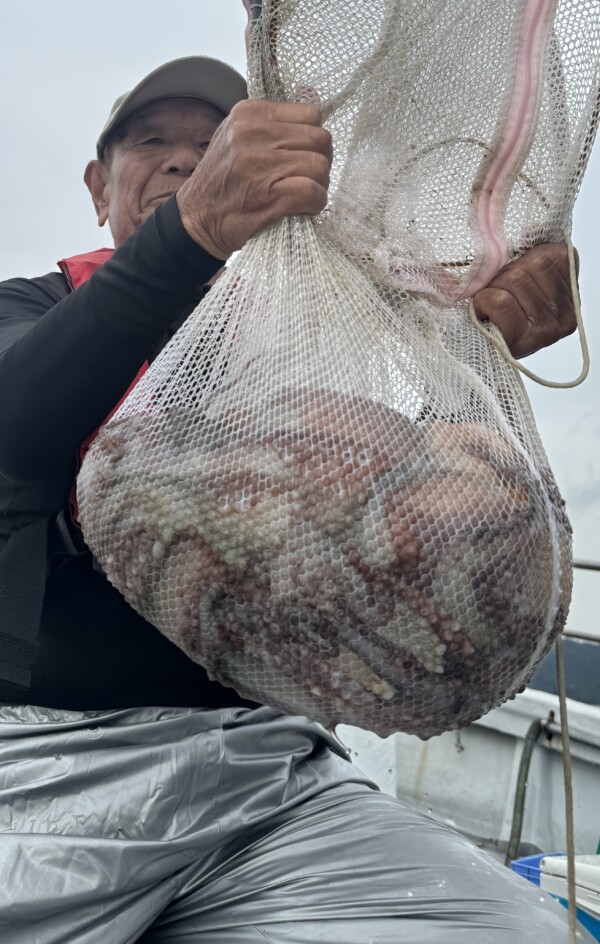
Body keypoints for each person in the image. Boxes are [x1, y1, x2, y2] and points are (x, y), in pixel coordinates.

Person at [0, 26, 588, 944]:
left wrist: (481, 341)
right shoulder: (30, 308)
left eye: (213, 138)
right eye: (153, 141)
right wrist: (190, 236)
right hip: (38, 769)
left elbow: (416, 512)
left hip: (268, 777)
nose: (187, 157)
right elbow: (13, 427)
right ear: (94, 184)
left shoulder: (297, 355)